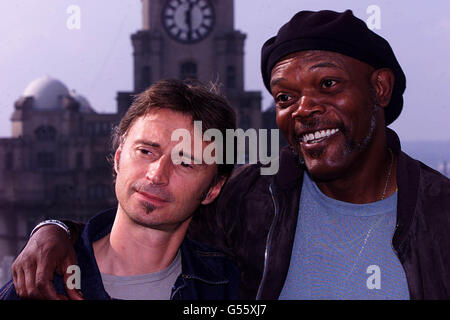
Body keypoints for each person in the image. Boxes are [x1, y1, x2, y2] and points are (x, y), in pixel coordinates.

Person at [8, 10, 450, 300]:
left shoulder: (440, 217)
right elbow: (150, 214)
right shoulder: (251, 196)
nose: (305, 109)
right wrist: (55, 230)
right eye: (284, 96)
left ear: (379, 88)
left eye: (328, 84)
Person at [0, 79, 239, 300]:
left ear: (213, 189)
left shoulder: (230, 287)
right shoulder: (38, 287)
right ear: (117, 157)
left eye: (185, 163)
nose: (156, 175)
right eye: (146, 151)